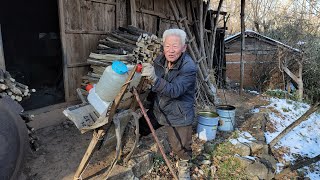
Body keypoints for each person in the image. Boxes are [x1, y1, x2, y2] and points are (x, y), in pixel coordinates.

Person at [141, 29, 197, 179]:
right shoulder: (159, 61)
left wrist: (154, 79)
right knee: (140, 127)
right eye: (167, 46)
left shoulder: (189, 67)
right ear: (163, 46)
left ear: (184, 48)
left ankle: (184, 166)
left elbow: (175, 90)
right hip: (160, 108)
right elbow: (153, 85)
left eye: (175, 46)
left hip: (179, 114)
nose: (170, 51)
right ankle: (130, 149)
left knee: (180, 147)